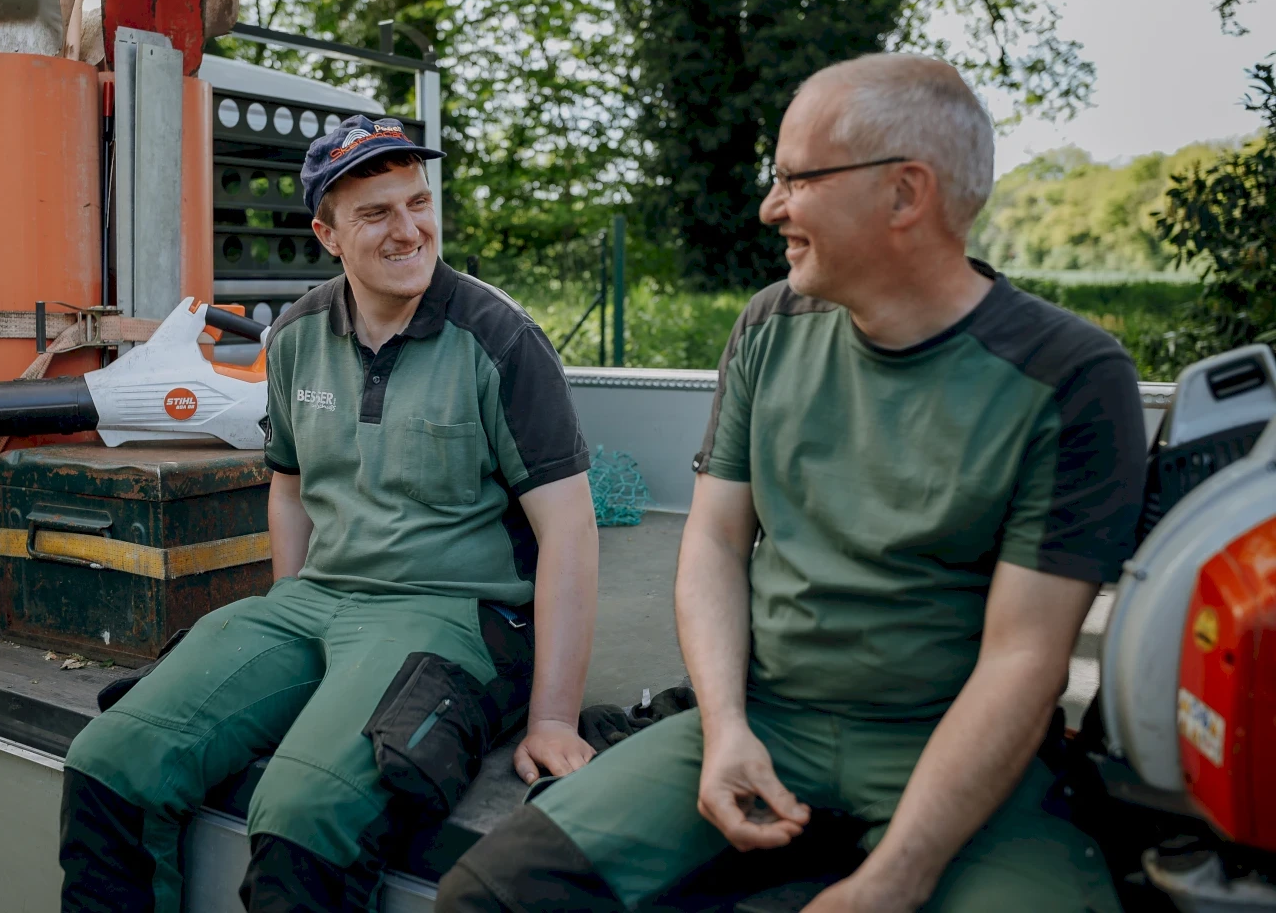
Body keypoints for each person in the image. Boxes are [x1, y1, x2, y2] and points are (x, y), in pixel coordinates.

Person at [436, 54, 1147, 913]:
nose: (770, 207)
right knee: (490, 896)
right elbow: (714, 540)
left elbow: (1025, 659)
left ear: (905, 194)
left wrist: (895, 879)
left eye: (796, 179)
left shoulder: (1069, 375)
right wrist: (724, 726)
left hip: (958, 748)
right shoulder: (771, 325)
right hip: (766, 719)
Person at [59, 115, 600, 913]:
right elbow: (289, 487)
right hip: (317, 600)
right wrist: (289, 621)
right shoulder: (296, 336)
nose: (409, 229)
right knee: (108, 760)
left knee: (302, 812)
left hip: (449, 611)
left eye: (418, 202)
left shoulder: (499, 339)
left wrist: (553, 717)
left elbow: (571, 532)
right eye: (376, 213)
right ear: (328, 235)